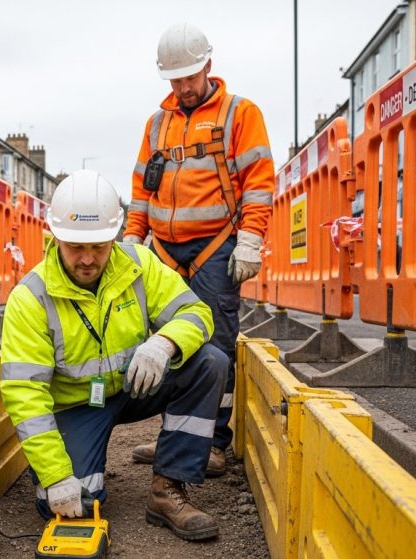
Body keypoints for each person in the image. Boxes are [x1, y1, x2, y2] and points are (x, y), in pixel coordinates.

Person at [0, 170, 229, 540]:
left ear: (115, 237)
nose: (88, 259)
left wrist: (164, 343)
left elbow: (197, 313)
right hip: (77, 405)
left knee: (209, 363)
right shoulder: (31, 298)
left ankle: (167, 489)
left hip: (134, 385)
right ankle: (67, 470)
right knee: (72, 502)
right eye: (76, 246)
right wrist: (56, 475)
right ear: (56, 236)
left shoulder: (139, 264)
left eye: (99, 246)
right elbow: (26, 396)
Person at [123, 23, 275, 476]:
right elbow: (141, 189)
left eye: (190, 77)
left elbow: (259, 183)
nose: (184, 88)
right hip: (164, 252)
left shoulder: (239, 114)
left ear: (208, 65)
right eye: (175, 80)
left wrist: (250, 238)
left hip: (215, 248)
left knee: (215, 346)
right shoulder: (157, 124)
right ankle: (176, 436)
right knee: (166, 342)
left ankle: (214, 443)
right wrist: (133, 239)